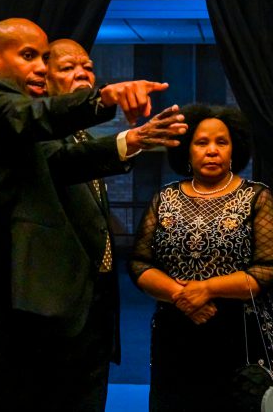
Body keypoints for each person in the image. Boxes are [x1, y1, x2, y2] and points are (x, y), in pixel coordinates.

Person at [0, 17, 177, 410]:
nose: (41, 67)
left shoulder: (27, 128)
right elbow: (36, 124)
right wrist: (106, 98)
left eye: (46, 58)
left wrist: (131, 139)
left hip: (48, 313)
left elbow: (65, 160)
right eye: (30, 56)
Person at [35, 38, 187, 411]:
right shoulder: (35, 131)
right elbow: (66, 162)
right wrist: (132, 139)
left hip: (95, 315)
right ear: (44, 79)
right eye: (68, 68)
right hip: (52, 318)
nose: (81, 73)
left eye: (86, 66)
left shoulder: (83, 134)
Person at [128, 104, 273, 412]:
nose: (212, 151)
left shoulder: (257, 197)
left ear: (234, 150)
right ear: (187, 151)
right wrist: (179, 294)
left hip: (239, 334)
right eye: (202, 143)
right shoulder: (164, 198)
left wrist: (208, 289)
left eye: (221, 142)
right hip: (175, 328)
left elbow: (269, 268)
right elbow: (139, 263)